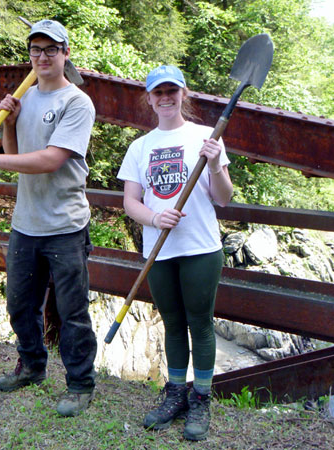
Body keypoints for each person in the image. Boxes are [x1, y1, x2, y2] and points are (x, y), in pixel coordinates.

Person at [0, 19, 97, 417]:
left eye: (50, 50)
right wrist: (8, 120)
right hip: (26, 222)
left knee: (72, 311)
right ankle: (32, 367)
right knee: (20, 303)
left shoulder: (77, 102)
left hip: (66, 225)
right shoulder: (26, 97)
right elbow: (18, 153)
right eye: (35, 50)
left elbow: (52, 160)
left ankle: (80, 385)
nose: (42, 57)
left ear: (66, 54)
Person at [117, 65, 233, 440]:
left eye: (172, 91)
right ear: (149, 98)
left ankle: (201, 399)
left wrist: (214, 164)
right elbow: (130, 202)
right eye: (158, 92)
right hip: (159, 250)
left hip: (200, 247)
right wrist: (155, 216)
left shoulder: (206, 137)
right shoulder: (140, 147)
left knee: (199, 323)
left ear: (184, 94)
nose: (165, 98)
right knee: (171, 323)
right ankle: (175, 394)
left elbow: (224, 197)